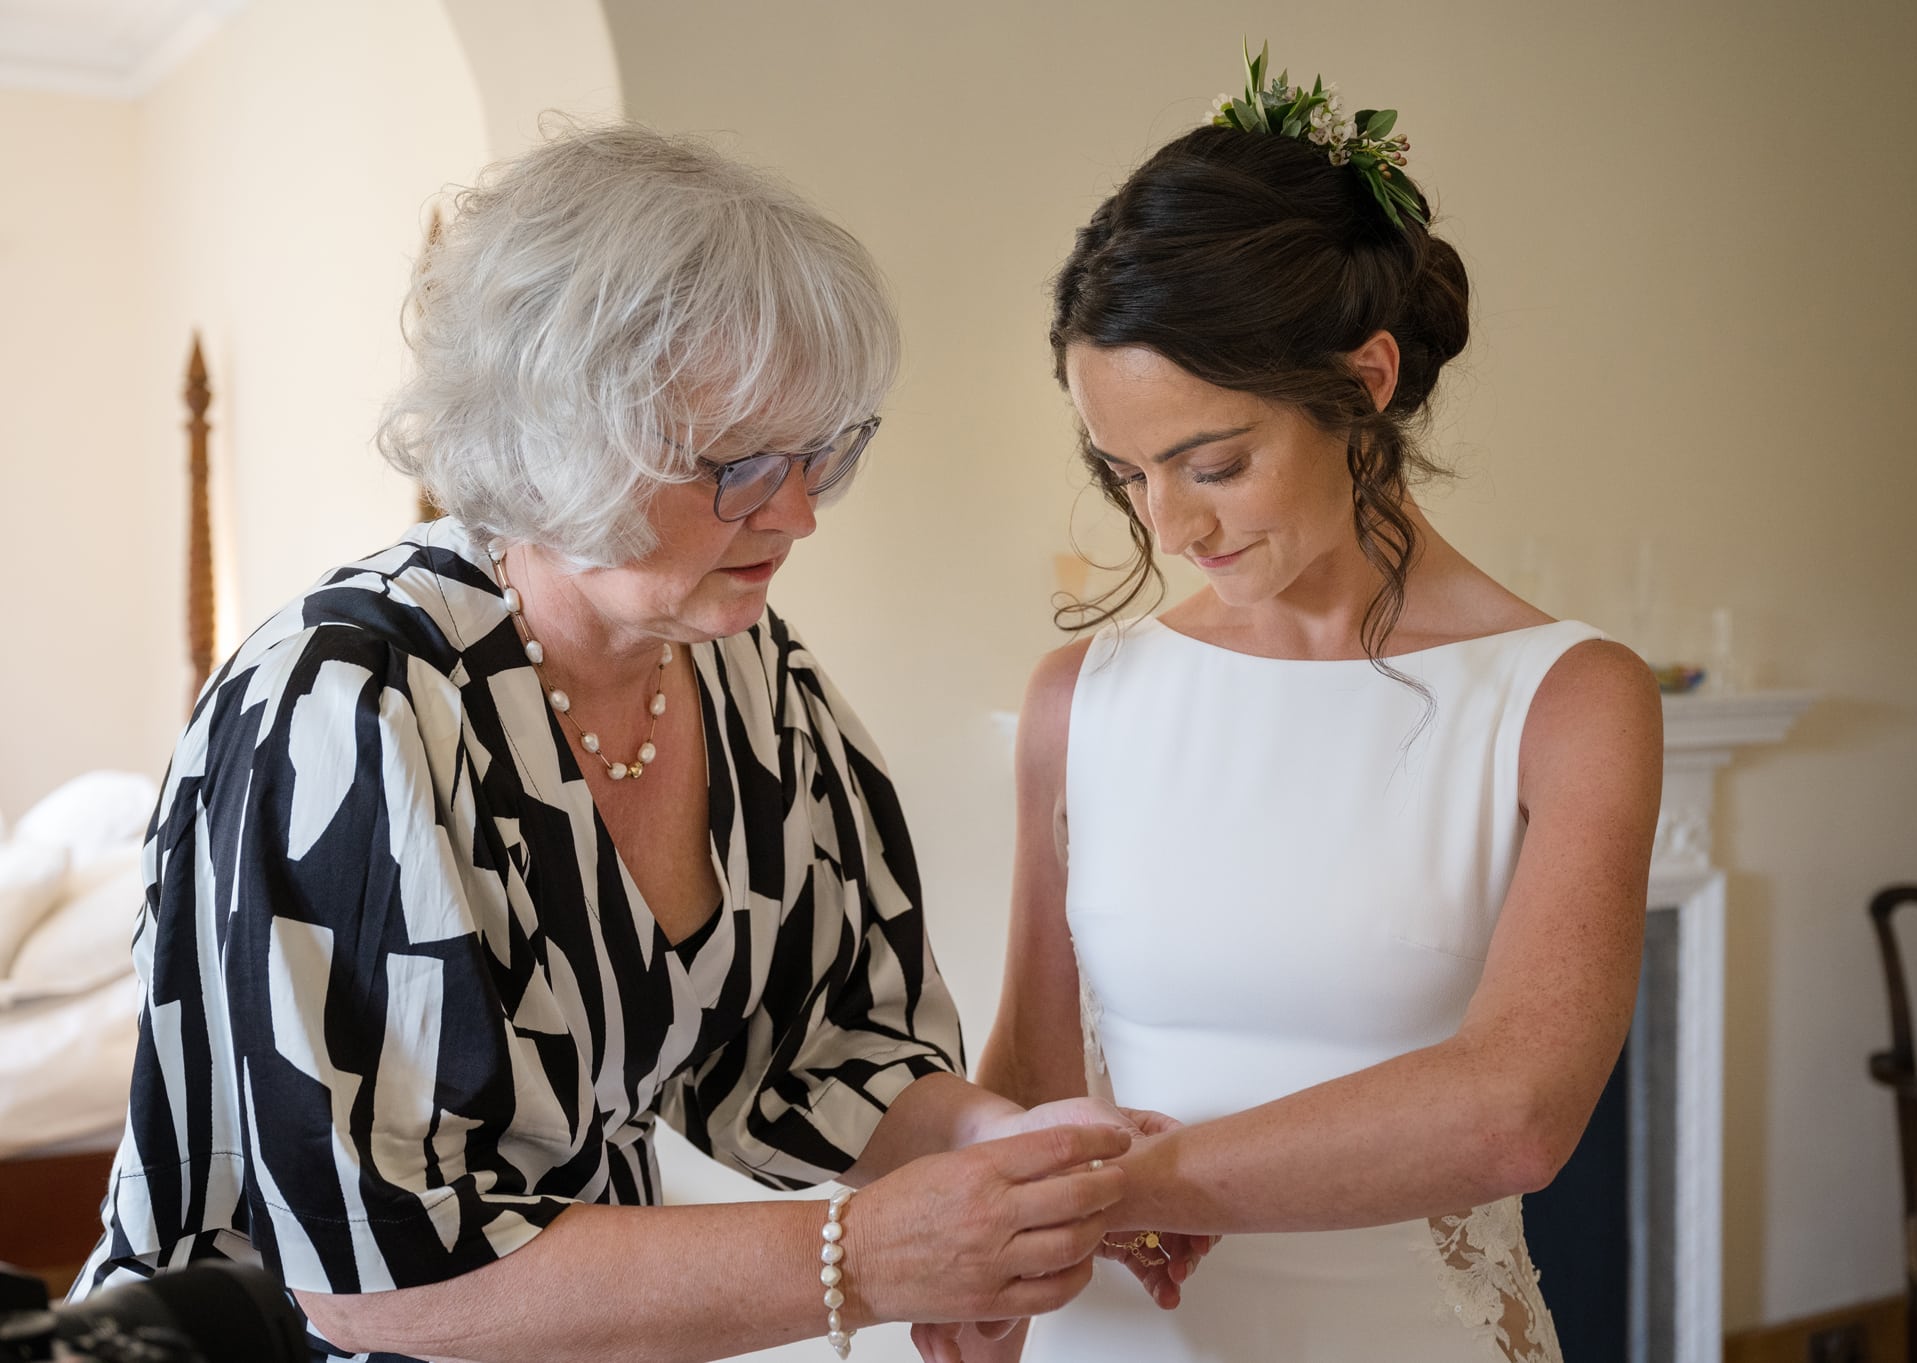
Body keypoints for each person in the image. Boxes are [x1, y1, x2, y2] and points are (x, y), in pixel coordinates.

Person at [73, 124, 1153, 1363]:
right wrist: (863, 1258)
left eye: (819, 453)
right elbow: (376, 1278)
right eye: (740, 465)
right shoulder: (345, 704)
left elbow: (824, 1046)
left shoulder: (741, 666)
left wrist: (1002, 1158)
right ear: (558, 437)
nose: (797, 512)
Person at [950, 48, 1664, 1363]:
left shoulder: (1569, 698)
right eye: (1124, 474)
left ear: (1368, 380)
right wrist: (981, 1250)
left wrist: (1136, 1186)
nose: (1169, 523)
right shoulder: (1080, 698)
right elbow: (1035, 1069)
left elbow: (1516, 1108)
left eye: (1212, 461)